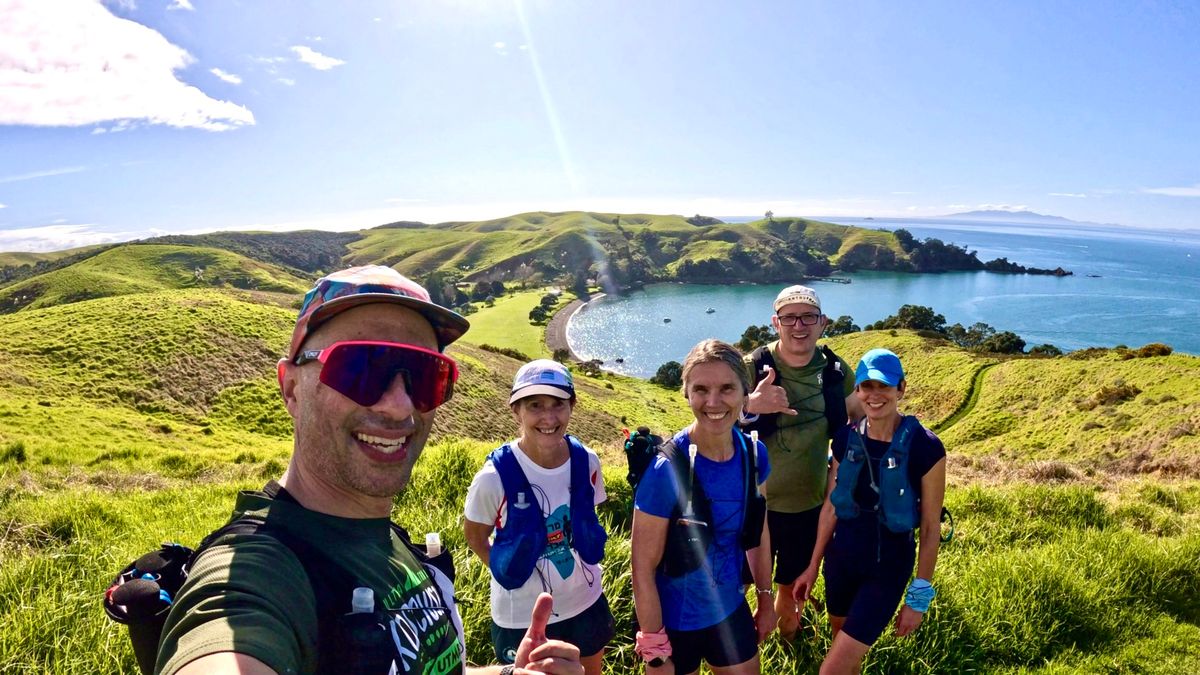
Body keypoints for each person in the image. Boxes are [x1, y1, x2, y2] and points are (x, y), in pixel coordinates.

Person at [155, 265, 583, 675]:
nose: (399, 407)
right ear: (291, 389)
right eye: (359, 369)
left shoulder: (383, 539)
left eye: (424, 375)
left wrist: (510, 672)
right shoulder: (257, 575)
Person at [793, 348, 947, 674]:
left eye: (884, 387)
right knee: (846, 658)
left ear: (901, 389)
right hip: (840, 564)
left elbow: (931, 528)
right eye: (867, 387)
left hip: (887, 570)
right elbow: (831, 508)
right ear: (858, 391)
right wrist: (812, 566)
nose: (875, 395)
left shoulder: (926, 446)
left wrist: (918, 599)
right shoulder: (845, 439)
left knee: (830, 670)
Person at [631, 339, 776, 675]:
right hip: (675, 623)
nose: (713, 402)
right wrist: (654, 650)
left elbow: (759, 531)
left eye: (727, 388)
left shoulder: (754, 456)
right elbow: (642, 567)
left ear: (745, 392)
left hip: (730, 608)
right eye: (701, 389)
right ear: (686, 393)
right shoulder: (665, 470)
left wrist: (766, 599)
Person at [463, 359, 615, 675]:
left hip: (585, 601)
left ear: (572, 406)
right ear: (516, 410)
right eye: (534, 405)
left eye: (558, 404)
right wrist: (506, 571)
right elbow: (474, 535)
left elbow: (587, 516)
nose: (548, 417)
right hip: (521, 615)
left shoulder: (587, 461)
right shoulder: (493, 478)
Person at [739, 284, 860, 640]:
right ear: (776, 322)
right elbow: (710, 417)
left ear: (822, 323)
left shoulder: (837, 372)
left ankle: (790, 650)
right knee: (737, 590)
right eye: (789, 317)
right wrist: (750, 406)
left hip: (808, 507)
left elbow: (858, 420)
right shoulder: (752, 367)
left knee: (791, 594)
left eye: (808, 317)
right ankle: (738, 658)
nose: (799, 325)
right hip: (750, 506)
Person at [624, 425, 663, 490]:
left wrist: (630, 438)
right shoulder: (656, 440)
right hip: (653, 472)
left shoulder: (634, 441)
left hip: (636, 473)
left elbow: (628, 450)